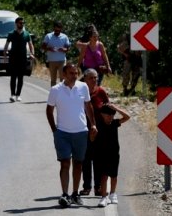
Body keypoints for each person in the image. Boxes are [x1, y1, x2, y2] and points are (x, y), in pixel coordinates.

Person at [46, 62, 97, 208]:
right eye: (71, 73)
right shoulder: (55, 90)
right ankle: (64, 194)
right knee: (65, 163)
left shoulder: (83, 87)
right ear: (64, 74)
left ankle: (75, 193)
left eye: (76, 73)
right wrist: (54, 130)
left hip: (81, 131)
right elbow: (49, 110)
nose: (74, 76)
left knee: (78, 163)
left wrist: (92, 124)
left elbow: (88, 106)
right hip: (62, 132)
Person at [77, 68, 110, 197]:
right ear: (84, 78)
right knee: (85, 158)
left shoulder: (101, 91)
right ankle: (86, 187)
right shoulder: (79, 90)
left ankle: (98, 187)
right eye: (91, 77)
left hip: (99, 130)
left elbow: (108, 107)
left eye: (96, 77)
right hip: (83, 129)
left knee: (98, 159)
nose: (94, 80)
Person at [94, 103, 131, 207]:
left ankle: (113, 194)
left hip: (114, 153)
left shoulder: (115, 123)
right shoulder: (98, 124)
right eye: (108, 114)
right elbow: (92, 139)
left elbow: (127, 117)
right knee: (104, 175)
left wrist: (116, 108)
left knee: (114, 175)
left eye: (112, 114)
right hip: (102, 154)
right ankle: (103, 197)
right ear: (102, 114)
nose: (110, 116)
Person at [3, 16, 33, 102]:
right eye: (20, 23)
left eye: (23, 23)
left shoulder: (27, 34)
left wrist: (32, 53)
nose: (22, 24)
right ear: (16, 24)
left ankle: (18, 95)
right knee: (13, 77)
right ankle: (12, 95)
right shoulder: (11, 34)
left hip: (23, 58)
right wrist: (5, 56)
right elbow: (6, 45)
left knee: (20, 77)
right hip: (13, 58)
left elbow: (31, 45)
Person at [42, 22, 71, 87]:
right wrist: (49, 49)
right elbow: (43, 47)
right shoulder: (48, 36)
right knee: (53, 79)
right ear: (53, 28)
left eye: (58, 30)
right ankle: (53, 93)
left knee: (62, 78)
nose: (57, 31)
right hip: (52, 60)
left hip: (62, 60)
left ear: (61, 29)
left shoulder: (64, 37)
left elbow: (68, 48)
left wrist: (64, 50)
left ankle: (63, 93)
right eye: (56, 30)